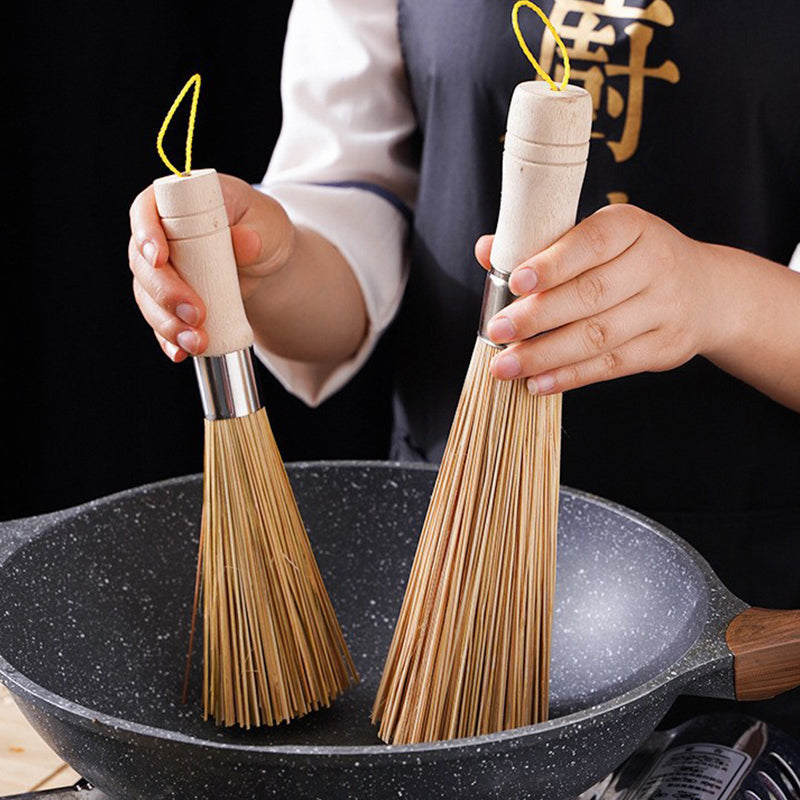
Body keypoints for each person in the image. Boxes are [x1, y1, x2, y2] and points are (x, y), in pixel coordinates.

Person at [128, 0, 800, 733]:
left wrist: (718, 296)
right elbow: (351, 233)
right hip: (446, 577)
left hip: (741, 600)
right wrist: (267, 267)